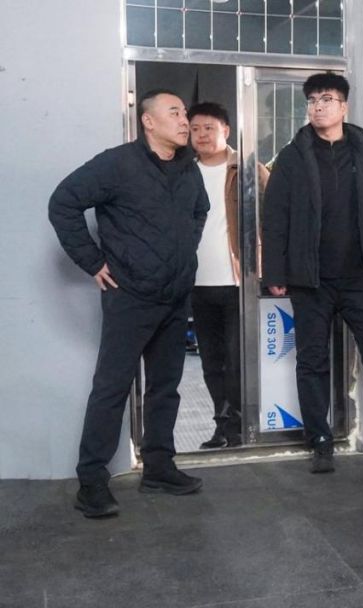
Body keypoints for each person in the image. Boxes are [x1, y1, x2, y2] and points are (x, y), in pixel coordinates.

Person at [49, 89, 209, 518]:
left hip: (175, 296)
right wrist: (92, 261)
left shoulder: (188, 168)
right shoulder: (117, 165)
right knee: (112, 387)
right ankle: (91, 482)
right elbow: (63, 202)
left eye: (185, 112)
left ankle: (158, 467)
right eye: (174, 112)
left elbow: (200, 211)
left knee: (165, 386)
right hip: (131, 297)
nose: (184, 120)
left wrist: (185, 252)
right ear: (148, 122)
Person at [261, 73, 363, 473]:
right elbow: (274, 219)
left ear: (344, 107)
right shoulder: (292, 157)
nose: (318, 106)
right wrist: (275, 270)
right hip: (310, 279)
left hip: (361, 277)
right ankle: (320, 440)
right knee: (312, 360)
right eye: (312, 100)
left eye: (326, 99)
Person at [186, 102, 269, 449]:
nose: (201, 135)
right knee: (211, 363)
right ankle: (223, 426)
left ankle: (238, 427)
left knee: (236, 362)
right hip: (196, 283)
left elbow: (273, 220)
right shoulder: (183, 173)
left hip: (237, 283)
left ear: (226, 130)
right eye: (194, 129)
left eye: (209, 128)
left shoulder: (248, 170)